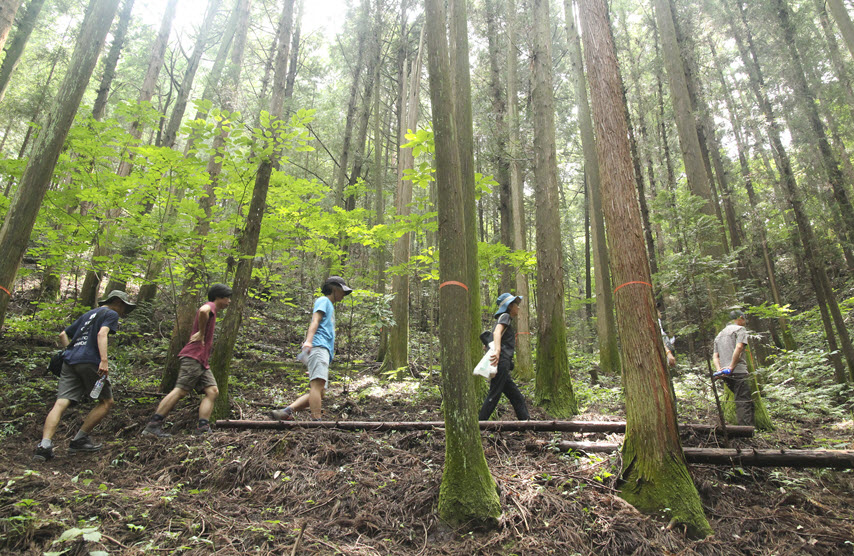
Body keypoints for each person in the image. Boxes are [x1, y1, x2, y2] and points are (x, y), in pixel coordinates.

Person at [33, 290, 136, 461]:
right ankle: (79, 439)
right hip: (90, 361)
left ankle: (44, 445)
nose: (124, 312)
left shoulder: (89, 314)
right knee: (106, 402)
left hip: (70, 361)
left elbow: (63, 334)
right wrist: (104, 360)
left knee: (60, 403)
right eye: (124, 307)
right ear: (117, 302)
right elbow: (102, 334)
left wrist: (71, 352)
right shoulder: (110, 313)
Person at [142, 283, 232, 437]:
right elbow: (203, 311)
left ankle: (202, 428)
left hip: (202, 360)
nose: (229, 302)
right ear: (219, 297)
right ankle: (153, 425)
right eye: (227, 298)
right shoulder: (210, 305)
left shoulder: (214, 310)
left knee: (212, 391)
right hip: (193, 356)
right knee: (181, 390)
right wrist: (201, 333)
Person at [270, 276, 352, 421]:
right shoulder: (323, 300)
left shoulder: (329, 305)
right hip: (319, 346)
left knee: (320, 392)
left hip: (322, 349)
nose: (343, 295)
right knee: (317, 385)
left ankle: (287, 411)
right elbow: (315, 320)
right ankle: (316, 420)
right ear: (334, 289)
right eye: (342, 291)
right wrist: (308, 341)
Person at [478, 293, 530, 421]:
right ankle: (479, 424)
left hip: (503, 364)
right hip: (501, 362)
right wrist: (497, 350)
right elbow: (496, 333)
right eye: (516, 305)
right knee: (494, 396)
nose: (518, 307)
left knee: (515, 396)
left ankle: (527, 424)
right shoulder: (505, 316)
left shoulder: (504, 319)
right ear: (510, 306)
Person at [713, 309, 754, 426]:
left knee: (742, 399)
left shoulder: (719, 334)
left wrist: (719, 370)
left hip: (725, 374)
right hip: (738, 371)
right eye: (744, 319)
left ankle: (749, 426)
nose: (745, 322)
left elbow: (715, 356)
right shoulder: (740, 330)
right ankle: (745, 431)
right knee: (743, 401)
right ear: (740, 318)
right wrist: (731, 366)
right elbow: (739, 347)